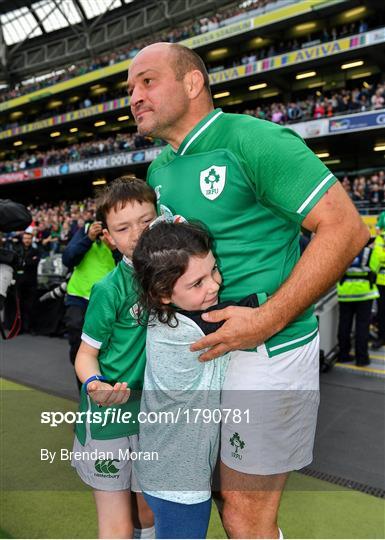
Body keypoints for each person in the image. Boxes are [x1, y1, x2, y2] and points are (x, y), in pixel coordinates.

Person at [127, 42, 370, 538]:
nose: (134, 96)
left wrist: (267, 319)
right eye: (130, 88)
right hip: (200, 356)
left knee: (244, 513)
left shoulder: (256, 141)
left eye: (147, 81)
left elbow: (346, 229)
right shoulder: (158, 170)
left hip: (266, 348)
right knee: (208, 495)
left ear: (192, 83)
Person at [72, 176, 156, 539]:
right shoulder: (109, 289)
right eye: (123, 227)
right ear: (108, 236)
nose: (137, 234)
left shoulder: (174, 278)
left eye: (147, 222)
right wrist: (95, 384)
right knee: (118, 527)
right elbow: (85, 355)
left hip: (155, 415)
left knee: (149, 513)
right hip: (110, 415)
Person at [62, 215, 117, 390]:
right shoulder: (85, 230)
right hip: (78, 296)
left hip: (107, 300)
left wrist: (114, 248)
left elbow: (132, 264)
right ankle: (85, 388)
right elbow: (68, 258)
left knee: (107, 347)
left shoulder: (118, 232)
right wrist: (88, 238)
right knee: (78, 344)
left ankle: (108, 390)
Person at [337, 243, 379, 365]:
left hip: (345, 293)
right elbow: (375, 269)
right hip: (364, 294)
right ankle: (362, 358)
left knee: (344, 324)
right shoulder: (370, 252)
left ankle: (343, 354)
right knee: (362, 326)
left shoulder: (344, 250)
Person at [14, 231, 40, 334]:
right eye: (25, 238)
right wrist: (27, 261)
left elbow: (34, 262)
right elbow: (17, 263)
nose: (27, 240)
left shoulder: (36, 251)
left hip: (31, 282)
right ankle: (19, 328)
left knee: (31, 306)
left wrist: (25, 262)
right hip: (19, 282)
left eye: (29, 238)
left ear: (32, 239)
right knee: (19, 306)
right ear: (22, 239)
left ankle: (30, 327)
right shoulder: (17, 250)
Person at [371, 232, 385, 349]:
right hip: (381, 282)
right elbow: (378, 256)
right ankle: (382, 337)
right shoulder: (381, 237)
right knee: (382, 312)